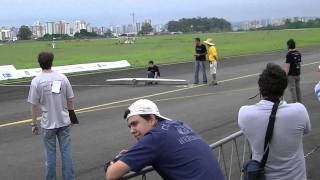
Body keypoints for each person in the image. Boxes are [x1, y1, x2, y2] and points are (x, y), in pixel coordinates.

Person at [106, 99, 224, 180]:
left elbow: (112, 174)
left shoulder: (154, 137)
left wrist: (114, 162)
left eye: (135, 124)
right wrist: (135, 155)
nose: (132, 130)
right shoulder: (178, 124)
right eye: (130, 126)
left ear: (152, 119)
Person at [238, 63, 311, 180]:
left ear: (259, 88)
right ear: (284, 87)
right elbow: (307, 130)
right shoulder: (299, 110)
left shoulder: (244, 114)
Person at [27, 52, 76, 180]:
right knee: (66, 153)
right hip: (64, 121)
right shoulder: (62, 78)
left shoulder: (36, 81)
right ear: (52, 62)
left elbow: (33, 105)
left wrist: (33, 124)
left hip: (48, 123)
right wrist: (71, 116)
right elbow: (70, 99)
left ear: (39, 63)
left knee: (50, 155)